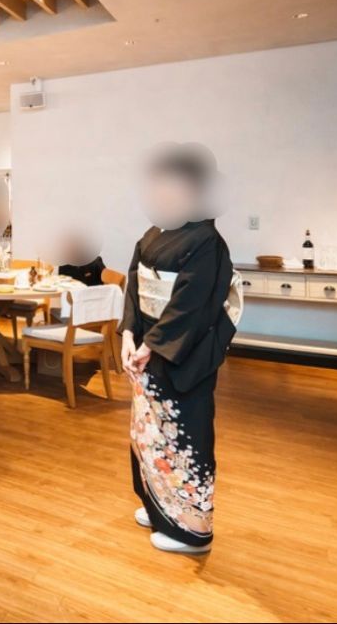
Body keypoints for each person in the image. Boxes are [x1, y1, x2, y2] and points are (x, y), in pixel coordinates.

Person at [120, 144, 239, 555]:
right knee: (149, 434)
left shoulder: (206, 240)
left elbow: (193, 303)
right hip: (147, 349)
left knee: (185, 434)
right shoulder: (154, 233)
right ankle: (160, 507)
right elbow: (134, 286)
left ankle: (192, 529)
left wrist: (152, 345)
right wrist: (128, 333)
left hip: (182, 353)